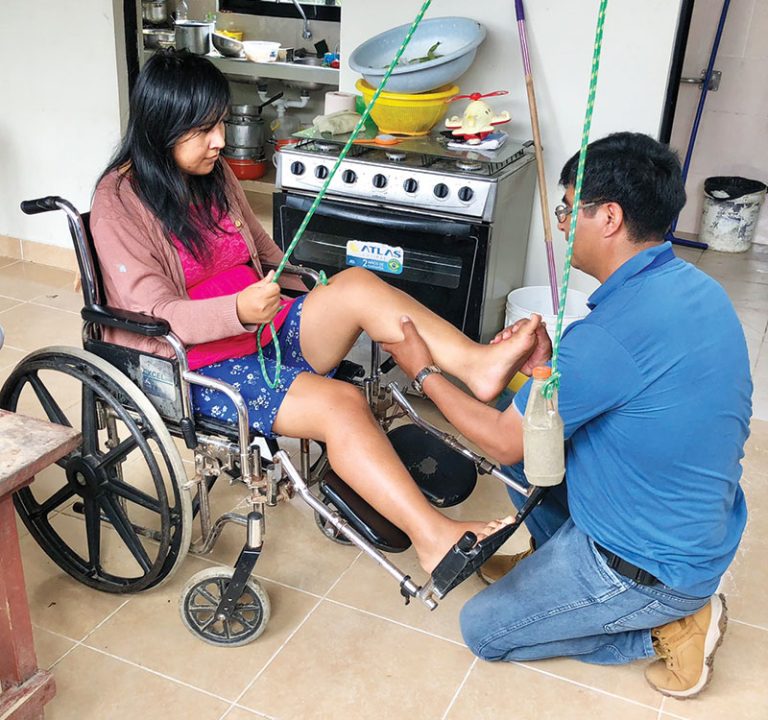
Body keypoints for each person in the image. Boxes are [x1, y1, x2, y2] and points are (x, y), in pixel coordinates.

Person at [89, 49, 544, 574]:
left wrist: (303, 282)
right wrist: (238, 309)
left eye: (219, 124)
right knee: (340, 403)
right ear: (160, 128)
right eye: (202, 130)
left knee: (357, 285)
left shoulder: (212, 176)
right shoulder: (119, 200)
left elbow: (264, 253)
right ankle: (433, 537)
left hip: (262, 330)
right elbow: (156, 313)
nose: (220, 141)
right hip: (194, 364)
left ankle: (476, 365)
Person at [382, 132, 752, 698]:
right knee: (530, 440)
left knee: (482, 630)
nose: (560, 222)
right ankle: (551, 569)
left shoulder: (611, 334)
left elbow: (506, 443)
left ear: (608, 217)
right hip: (689, 524)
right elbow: (614, 402)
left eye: (565, 209)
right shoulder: (697, 290)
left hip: (651, 566)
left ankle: (668, 629)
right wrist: (543, 373)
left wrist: (423, 371)